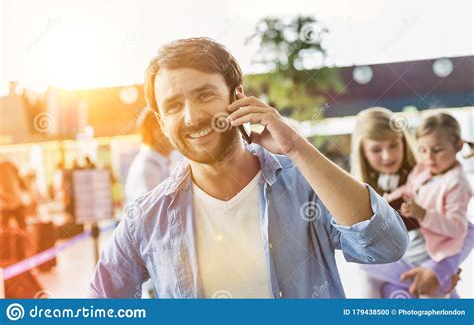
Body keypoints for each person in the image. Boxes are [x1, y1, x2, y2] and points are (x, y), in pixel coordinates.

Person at [87, 37, 408, 299]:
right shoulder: (145, 218)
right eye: (173, 106)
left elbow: (386, 245)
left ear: (237, 96)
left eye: (205, 94)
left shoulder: (304, 184)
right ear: (161, 122)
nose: (191, 117)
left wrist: (296, 147)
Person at [351, 108, 473, 298]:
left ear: (405, 142)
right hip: (390, 285)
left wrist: (440, 270)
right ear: (362, 152)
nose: (388, 156)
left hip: (427, 276)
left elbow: (466, 231)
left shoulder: (426, 173)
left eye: (394, 145)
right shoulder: (358, 194)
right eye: (376, 149)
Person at [125, 107, 177, 203]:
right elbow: (154, 213)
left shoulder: (161, 162)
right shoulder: (148, 168)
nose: (176, 132)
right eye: (168, 125)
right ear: (155, 132)